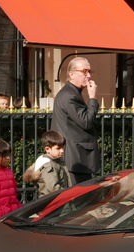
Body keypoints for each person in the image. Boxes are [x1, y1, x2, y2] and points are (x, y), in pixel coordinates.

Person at [51, 56, 99, 184]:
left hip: (73, 158)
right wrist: (93, 98)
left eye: (90, 72)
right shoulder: (71, 96)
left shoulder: (70, 93)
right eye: (84, 71)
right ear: (72, 74)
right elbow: (86, 122)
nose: (88, 76)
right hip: (75, 159)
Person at [23, 130, 72, 197]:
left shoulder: (56, 162)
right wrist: (68, 194)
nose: (62, 151)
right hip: (54, 201)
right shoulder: (48, 165)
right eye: (58, 148)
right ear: (47, 149)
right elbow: (53, 188)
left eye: (63, 148)